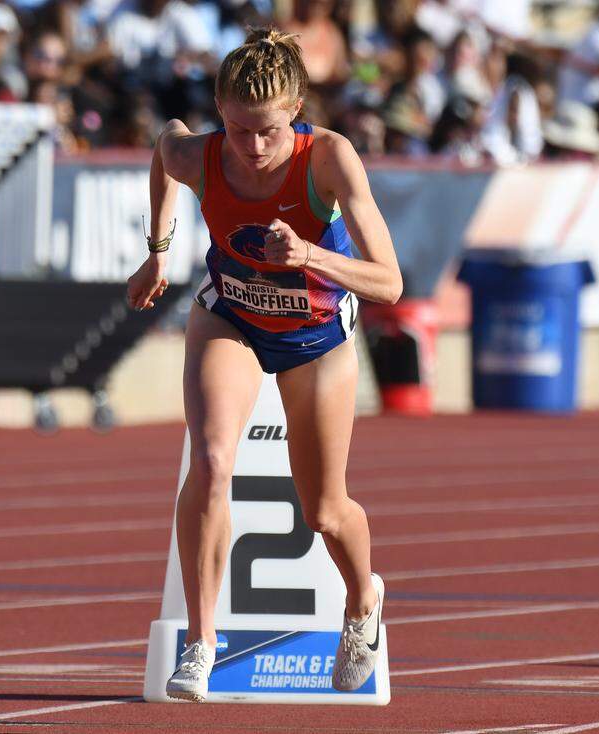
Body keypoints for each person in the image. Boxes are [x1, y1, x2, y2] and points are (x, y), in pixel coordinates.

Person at [125, 27, 402, 702]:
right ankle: (201, 642)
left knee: (324, 511)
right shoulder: (203, 155)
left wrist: (309, 256)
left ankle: (363, 601)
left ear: (297, 112)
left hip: (315, 339)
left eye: (268, 131)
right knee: (213, 458)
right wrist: (160, 247)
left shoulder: (328, 159)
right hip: (232, 317)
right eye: (239, 130)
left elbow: (389, 282)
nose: (251, 148)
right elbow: (166, 147)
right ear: (221, 113)